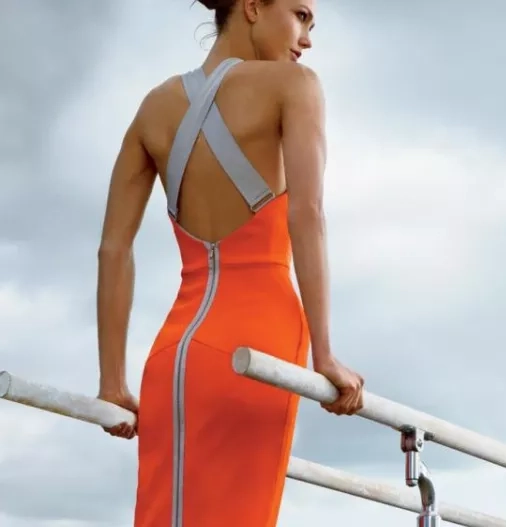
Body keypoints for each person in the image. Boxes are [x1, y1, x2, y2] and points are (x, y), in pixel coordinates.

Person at [93, 0, 365, 525]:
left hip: (173, 358)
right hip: (257, 345)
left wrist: (112, 383)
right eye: (301, 15)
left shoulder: (153, 108)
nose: (307, 39)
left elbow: (113, 250)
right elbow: (307, 214)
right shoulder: (295, 86)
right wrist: (325, 354)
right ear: (254, 7)